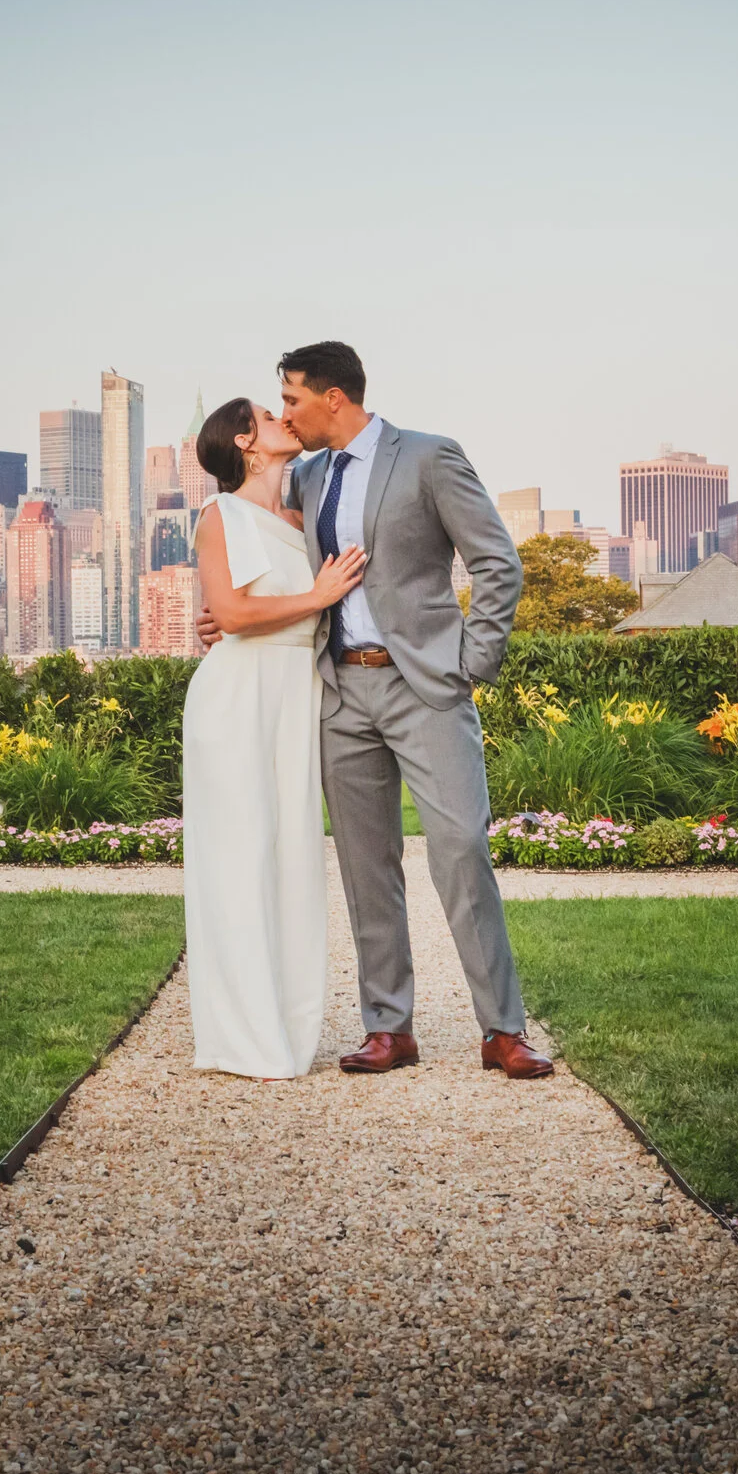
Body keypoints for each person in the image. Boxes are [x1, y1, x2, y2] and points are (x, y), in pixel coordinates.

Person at [200, 341, 553, 1081]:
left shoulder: (429, 457)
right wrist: (227, 617)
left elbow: (496, 561)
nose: (286, 414)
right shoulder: (306, 476)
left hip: (426, 688)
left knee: (459, 847)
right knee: (367, 866)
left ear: (334, 397)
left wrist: (470, 664)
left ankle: (502, 1028)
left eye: (291, 398)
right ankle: (389, 1025)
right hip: (339, 693)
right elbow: (258, 550)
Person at [181, 397, 366, 1078]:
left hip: (294, 701)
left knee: (290, 857)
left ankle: (287, 1025)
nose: (283, 416)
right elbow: (229, 611)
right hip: (235, 702)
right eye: (267, 412)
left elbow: (248, 610)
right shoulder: (217, 515)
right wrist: (311, 599)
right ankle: (241, 1036)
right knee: (238, 858)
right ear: (245, 442)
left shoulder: (300, 519)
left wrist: (286, 607)